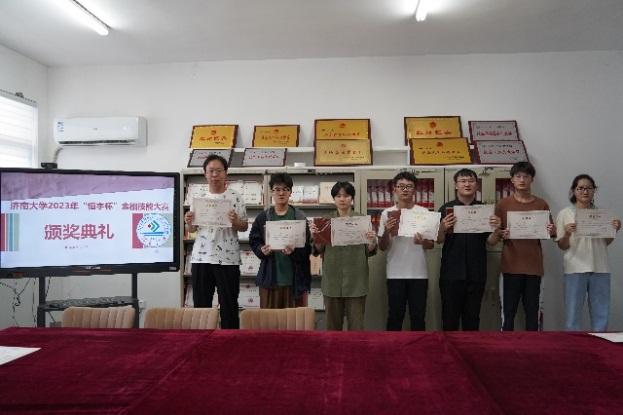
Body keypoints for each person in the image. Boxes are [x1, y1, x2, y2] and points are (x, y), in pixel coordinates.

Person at [488, 161, 556, 331]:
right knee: (508, 314)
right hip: (510, 267)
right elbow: (492, 240)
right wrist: (500, 232)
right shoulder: (503, 204)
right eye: (518, 176)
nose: (522, 180)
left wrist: (552, 230)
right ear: (512, 179)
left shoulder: (541, 205)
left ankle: (533, 346)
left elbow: (551, 234)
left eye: (526, 176)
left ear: (532, 179)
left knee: (533, 314)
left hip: (534, 268)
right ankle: (507, 345)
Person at [184, 154, 248, 329]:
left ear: (225, 173)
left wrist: (234, 221)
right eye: (211, 171)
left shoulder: (235, 197)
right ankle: (202, 340)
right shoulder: (199, 198)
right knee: (201, 307)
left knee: (229, 305)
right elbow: (191, 230)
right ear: (205, 173)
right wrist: (188, 222)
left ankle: (229, 340)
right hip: (201, 258)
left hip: (228, 259)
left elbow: (244, 226)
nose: (215, 175)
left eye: (219, 171)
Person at [436, 169, 502, 331]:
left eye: (471, 181)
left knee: (472, 319)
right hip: (451, 273)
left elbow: (491, 242)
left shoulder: (484, 210)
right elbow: (439, 240)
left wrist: (497, 229)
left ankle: (470, 347)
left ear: (476, 185)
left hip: (476, 272)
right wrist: (442, 228)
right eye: (463, 181)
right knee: (449, 318)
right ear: (456, 185)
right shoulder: (446, 209)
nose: (467, 184)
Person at [555, 174, 621, 331]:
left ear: (594, 191)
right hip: (575, 267)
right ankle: (574, 343)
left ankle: (599, 342)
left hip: (600, 266)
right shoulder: (565, 213)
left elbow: (606, 242)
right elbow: (562, 245)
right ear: (574, 190)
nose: (585, 191)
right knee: (573, 312)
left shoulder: (603, 214)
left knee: (601, 312)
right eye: (581, 188)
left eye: (589, 188)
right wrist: (568, 233)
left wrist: (614, 231)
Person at [310, 181, 377, 331]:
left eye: (346, 195)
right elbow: (318, 249)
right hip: (332, 280)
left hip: (356, 281)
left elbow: (369, 251)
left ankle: (355, 348)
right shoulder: (325, 221)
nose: (342, 199)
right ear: (334, 198)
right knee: (332, 327)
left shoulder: (362, 220)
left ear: (352, 198)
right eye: (338, 196)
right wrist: (316, 236)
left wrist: (372, 240)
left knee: (356, 326)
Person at [378, 171, 434, 331]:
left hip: (419, 274)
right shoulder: (387, 214)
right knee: (395, 316)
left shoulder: (424, 213)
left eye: (409, 186)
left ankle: (418, 347)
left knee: (418, 317)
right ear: (394, 189)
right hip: (395, 274)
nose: (405, 189)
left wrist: (423, 241)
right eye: (401, 186)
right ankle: (392, 346)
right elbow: (382, 247)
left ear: (415, 190)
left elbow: (431, 245)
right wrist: (387, 231)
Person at [249, 173, 312, 308]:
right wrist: (261, 250)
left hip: (294, 280)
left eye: (285, 189)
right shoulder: (263, 217)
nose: (281, 193)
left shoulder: (299, 217)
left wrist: (294, 252)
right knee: (269, 319)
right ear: (271, 192)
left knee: (293, 320)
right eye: (277, 189)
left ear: (290, 192)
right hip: (270, 280)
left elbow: (307, 248)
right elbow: (254, 241)